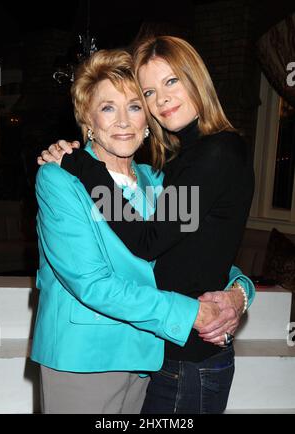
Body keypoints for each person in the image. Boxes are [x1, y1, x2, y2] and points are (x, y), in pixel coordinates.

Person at [36, 41, 255, 414]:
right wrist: (191, 314)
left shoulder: (159, 180)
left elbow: (191, 251)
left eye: (135, 105)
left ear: (147, 121)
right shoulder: (60, 180)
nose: (123, 120)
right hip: (86, 360)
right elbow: (93, 283)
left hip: (148, 360)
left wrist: (240, 290)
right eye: (108, 107)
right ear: (88, 121)